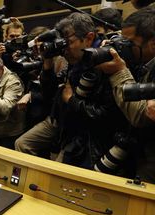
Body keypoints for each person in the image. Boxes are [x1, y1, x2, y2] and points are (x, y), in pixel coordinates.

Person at [15, 13, 129, 173]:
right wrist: (47, 62)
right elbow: (50, 93)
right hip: (64, 122)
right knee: (22, 144)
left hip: (87, 137)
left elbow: (105, 115)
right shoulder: (77, 59)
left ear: (88, 38)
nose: (63, 50)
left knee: (57, 174)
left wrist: (71, 100)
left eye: (68, 43)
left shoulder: (105, 60)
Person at [97, 6, 155, 182]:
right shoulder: (142, 62)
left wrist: (119, 71)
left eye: (129, 43)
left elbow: (139, 115)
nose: (125, 48)